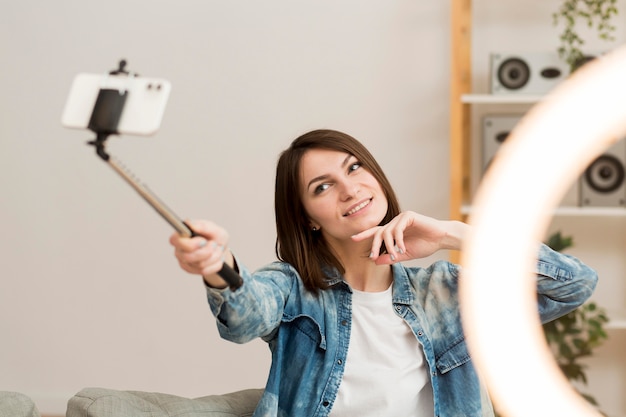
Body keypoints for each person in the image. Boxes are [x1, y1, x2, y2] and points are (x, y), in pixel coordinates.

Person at [170, 129, 598, 417]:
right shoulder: (293, 288)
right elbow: (245, 315)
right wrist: (217, 266)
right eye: (323, 186)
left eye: (355, 168)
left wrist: (454, 233)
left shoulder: (445, 292)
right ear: (307, 219)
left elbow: (574, 284)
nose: (350, 188)